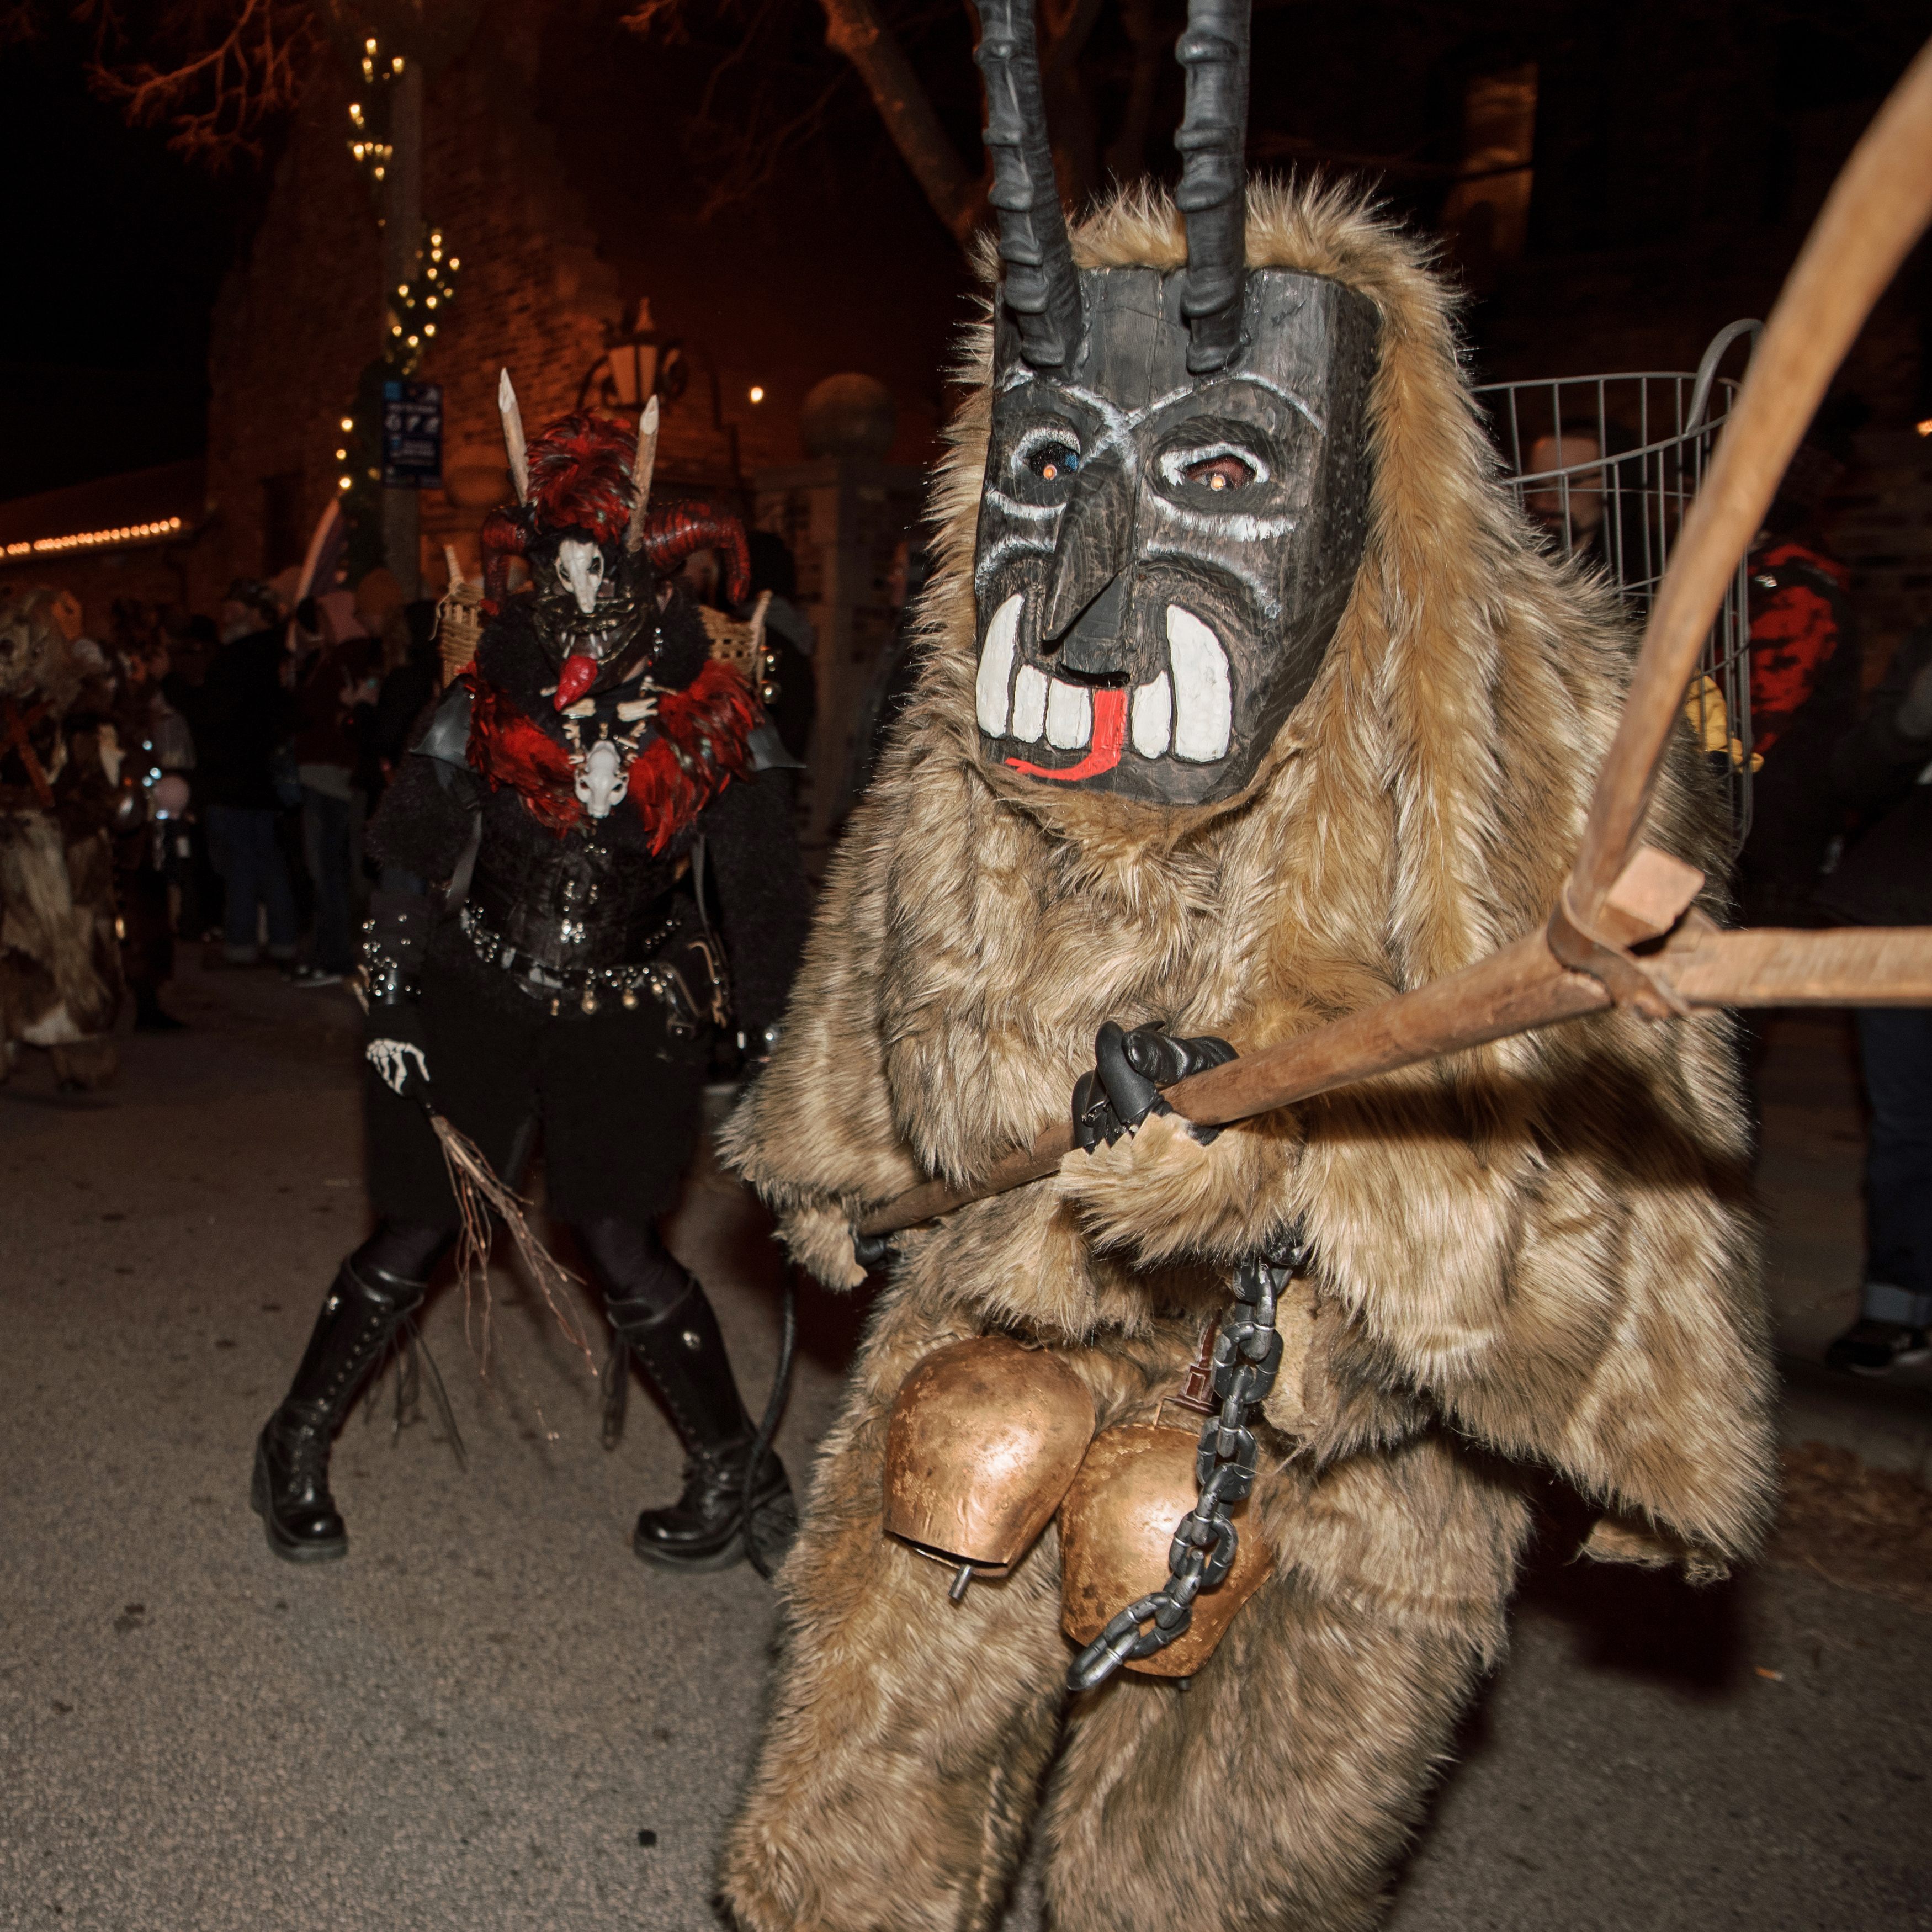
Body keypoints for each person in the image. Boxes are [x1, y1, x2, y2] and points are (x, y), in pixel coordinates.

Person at [712, 12, 1774, 1927]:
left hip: (1338, 1430)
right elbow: (894, 1028)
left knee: (1208, 1881)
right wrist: (984, 1122)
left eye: (1207, 463)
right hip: (1016, 1315)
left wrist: (1266, 1147)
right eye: (1049, 460)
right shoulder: (974, 736)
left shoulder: (1507, 740)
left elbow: (1557, 1228)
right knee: (861, 1795)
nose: (1093, 578)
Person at [250, 394, 811, 1574]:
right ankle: (292, 1441)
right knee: (414, 1231)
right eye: (559, 569)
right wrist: (393, 1005)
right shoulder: (485, 701)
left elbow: (759, 900)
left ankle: (733, 1469)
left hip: (625, 1012)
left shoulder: (718, 720)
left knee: (620, 1241)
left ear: (646, 575)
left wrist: (772, 1051)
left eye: (601, 568)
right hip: (478, 995)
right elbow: (406, 862)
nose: (582, 594)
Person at [1818, 625, 1932, 1373]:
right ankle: (1896, 1302)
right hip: (1905, 901)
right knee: (1907, 1123)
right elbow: (1853, 780)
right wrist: (1913, 720)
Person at [192, 581, 300, 969]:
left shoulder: (237, 659)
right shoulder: (276, 657)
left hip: (235, 777)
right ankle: (283, 940)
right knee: (268, 861)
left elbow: (214, 717)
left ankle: (241, 943)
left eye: (236, 610)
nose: (228, 618)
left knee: (240, 864)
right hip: (263, 779)